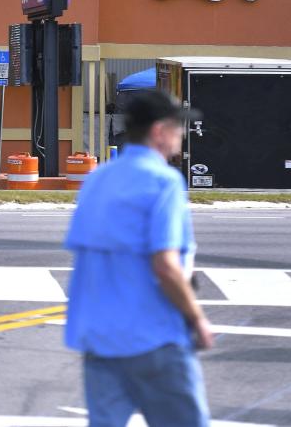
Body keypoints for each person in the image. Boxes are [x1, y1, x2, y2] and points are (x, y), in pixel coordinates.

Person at [64, 89, 214, 427]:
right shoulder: (164, 182)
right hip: (153, 336)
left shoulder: (96, 180)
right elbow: (165, 265)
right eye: (179, 127)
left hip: (99, 337)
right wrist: (196, 318)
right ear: (159, 131)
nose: (183, 135)